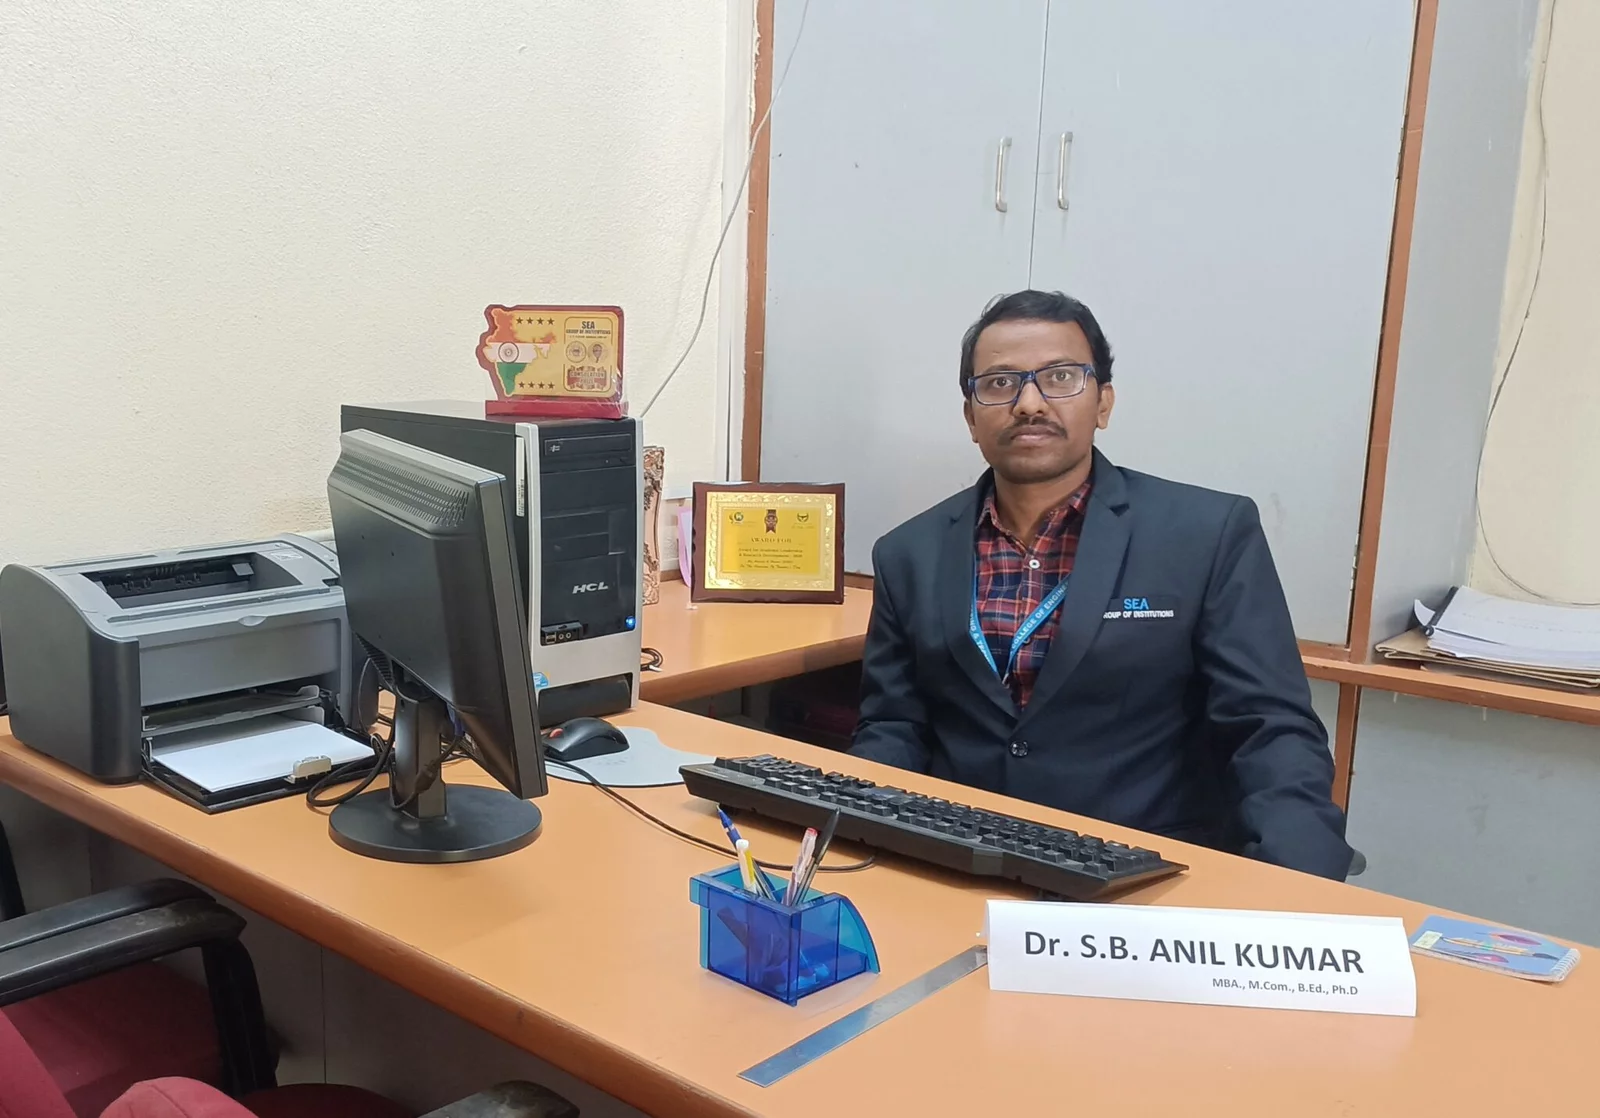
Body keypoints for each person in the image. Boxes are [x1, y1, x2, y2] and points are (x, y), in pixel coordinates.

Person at [850, 290, 1353, 879]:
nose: (1028, 403)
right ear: (970, 417)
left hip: (1142, 876)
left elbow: (1270, 728)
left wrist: (1298, 883)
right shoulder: (908, 552)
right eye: (1000, 383)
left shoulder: (1206, 533)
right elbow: (894, 726)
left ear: (1103, 403)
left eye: (1060, 377)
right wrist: (854, 831)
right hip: (958, 863)